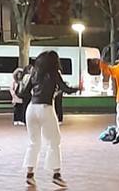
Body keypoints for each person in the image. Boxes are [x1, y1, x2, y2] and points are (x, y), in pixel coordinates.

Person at [21, 51, 79, 188]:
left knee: (34, 142)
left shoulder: (34, 72)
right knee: (54, 141)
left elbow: (23, 92)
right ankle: (56, 174)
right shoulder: (54, 73)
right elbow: (66, 88)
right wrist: (77, 88)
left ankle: (29, 174)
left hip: (31, 109)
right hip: (45, 108)